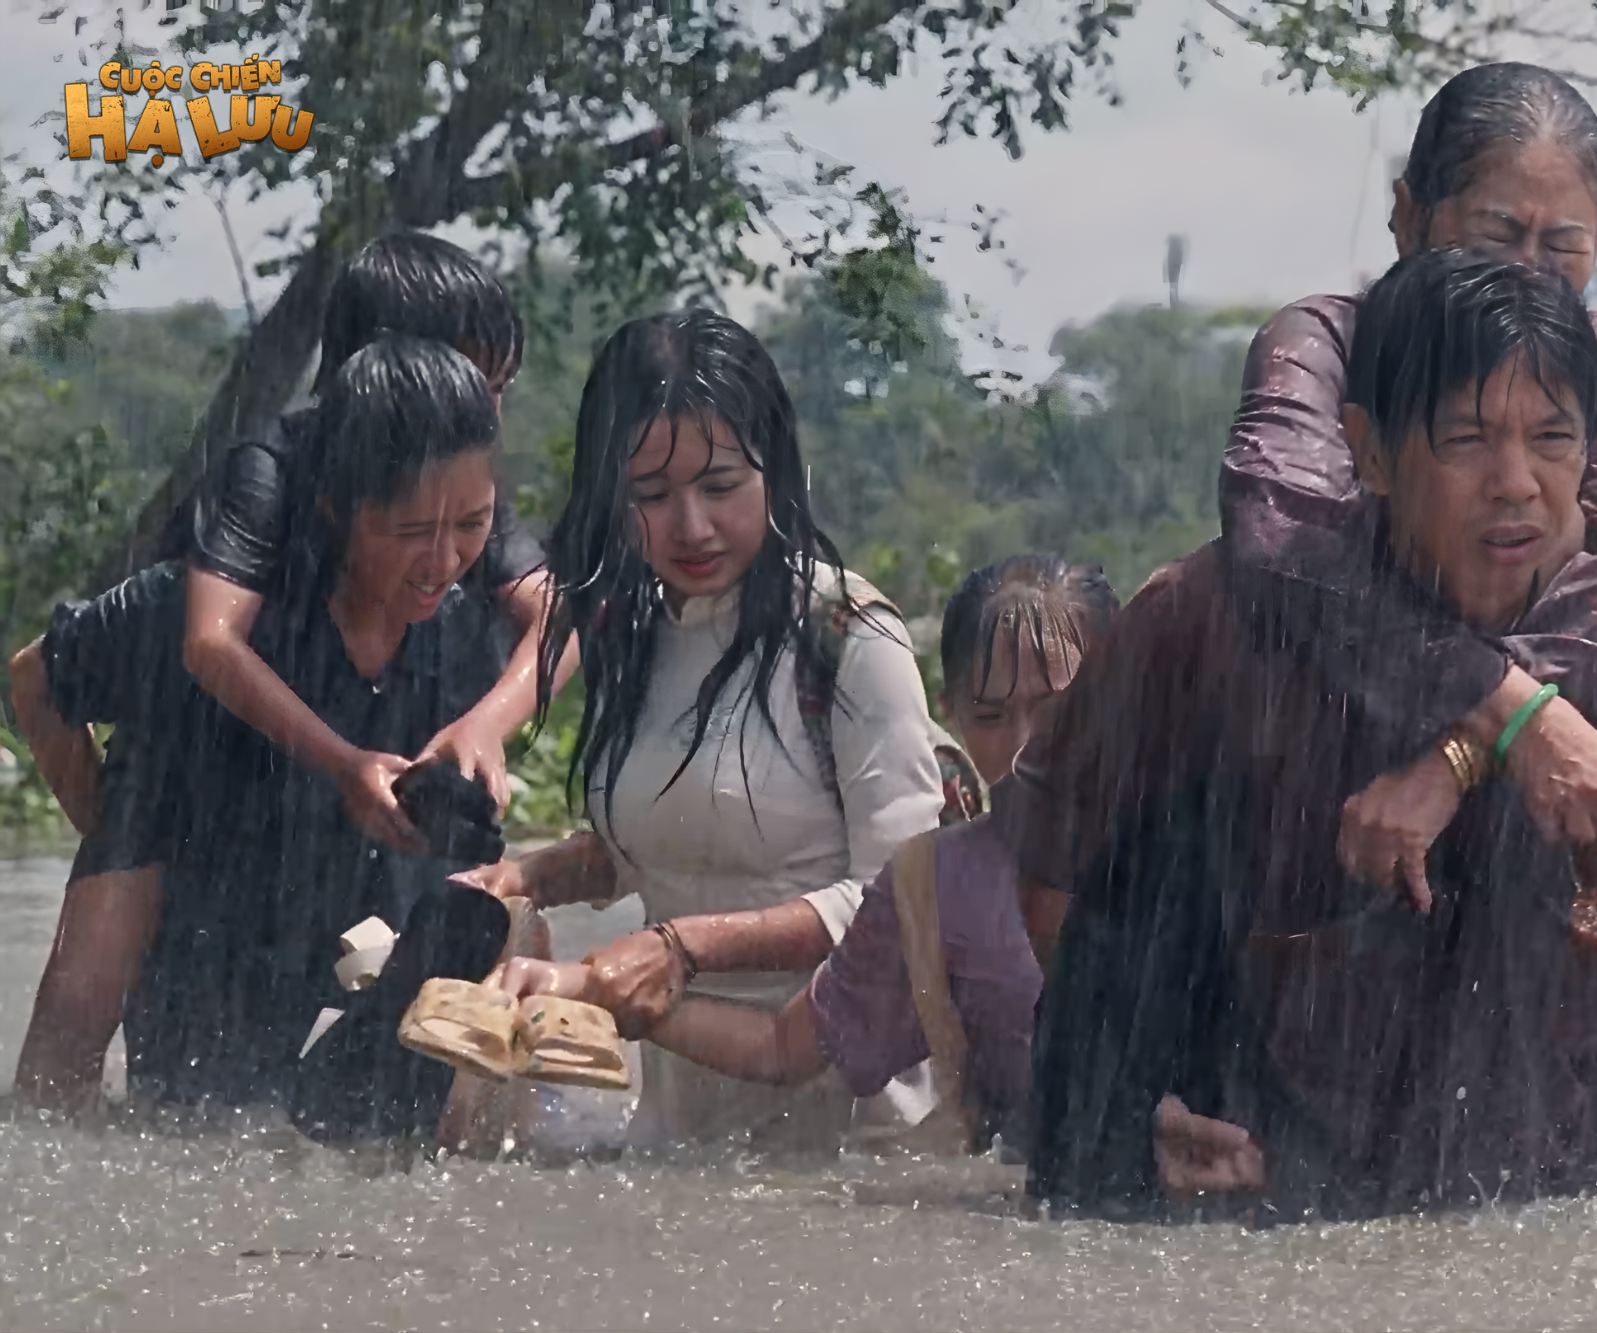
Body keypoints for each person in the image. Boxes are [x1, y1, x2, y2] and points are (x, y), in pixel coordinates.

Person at [1016, 251, 1597, 1224]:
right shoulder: (1216, 620)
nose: (1515, 485)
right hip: (1264, 1184)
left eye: (1551, 438)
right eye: (1465, 439)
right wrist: (1135, 1102)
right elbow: (1062, 865)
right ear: (1368, 452)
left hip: (1550, 1183)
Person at [1133, 59, 1597, 1172]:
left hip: (1551, 1160)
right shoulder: (1320, 352)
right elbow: (1278, 543)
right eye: (1492, 234)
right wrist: (1510, 713)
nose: (1529, 277)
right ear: (1408, 218)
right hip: (1273, 1164)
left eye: (1561, 247)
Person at [7, 232, 565, 1113]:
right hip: (185, 793)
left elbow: (562, 617)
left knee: (435, 1008)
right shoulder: (260, 493)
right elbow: (105, 662)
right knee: (113, 1068)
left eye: (491, 397)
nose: (477, 416)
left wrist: (485, 725)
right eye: (467, 382)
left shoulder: (454, 548)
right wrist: (114, 829)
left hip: (323, 823)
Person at [455, 309, 945, 1151]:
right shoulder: (629, 633)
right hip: (680, 1138)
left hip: (859, 1150)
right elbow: (669, 833)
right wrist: (528, 877)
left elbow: (904, 899)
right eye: (650, 495)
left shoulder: (848, 637)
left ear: (776, 472)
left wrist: (682, 948)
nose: (691, 527)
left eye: (721, 486)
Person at [494, 556, 1119, 1151]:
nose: (1023, 748)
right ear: (949, 712)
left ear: (1123, 695)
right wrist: (586, 988)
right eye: (990, 716)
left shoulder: (1189, 851)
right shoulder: (937, 888)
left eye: (1057, 712)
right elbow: (781, 1047)